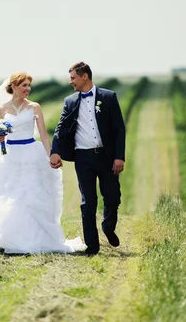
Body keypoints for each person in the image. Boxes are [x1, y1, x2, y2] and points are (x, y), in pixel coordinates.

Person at [0, 72, 85, 254]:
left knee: (29, 196)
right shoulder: (1, 109)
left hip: (31, 153)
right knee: (5, 195)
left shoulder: (34, 107)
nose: (28, 89)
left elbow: (44, 134)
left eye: (29, 86)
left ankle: (30, 239)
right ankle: (1, 237)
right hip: (8, 156)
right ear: (14, 87)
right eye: (24, 85)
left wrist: (51, 155)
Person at [50, 62, 126, 255]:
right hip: (83, 158)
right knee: (88, 202)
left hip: (107, 157)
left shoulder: (108, 97)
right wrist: (55, 151)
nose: (71, 82)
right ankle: (92, 247)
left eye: (73, 78)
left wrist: (119, 157)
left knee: (112, 197)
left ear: (85, 76)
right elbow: (60, 128)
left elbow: (119, 129)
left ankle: (108, 227)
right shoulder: (70, 101)